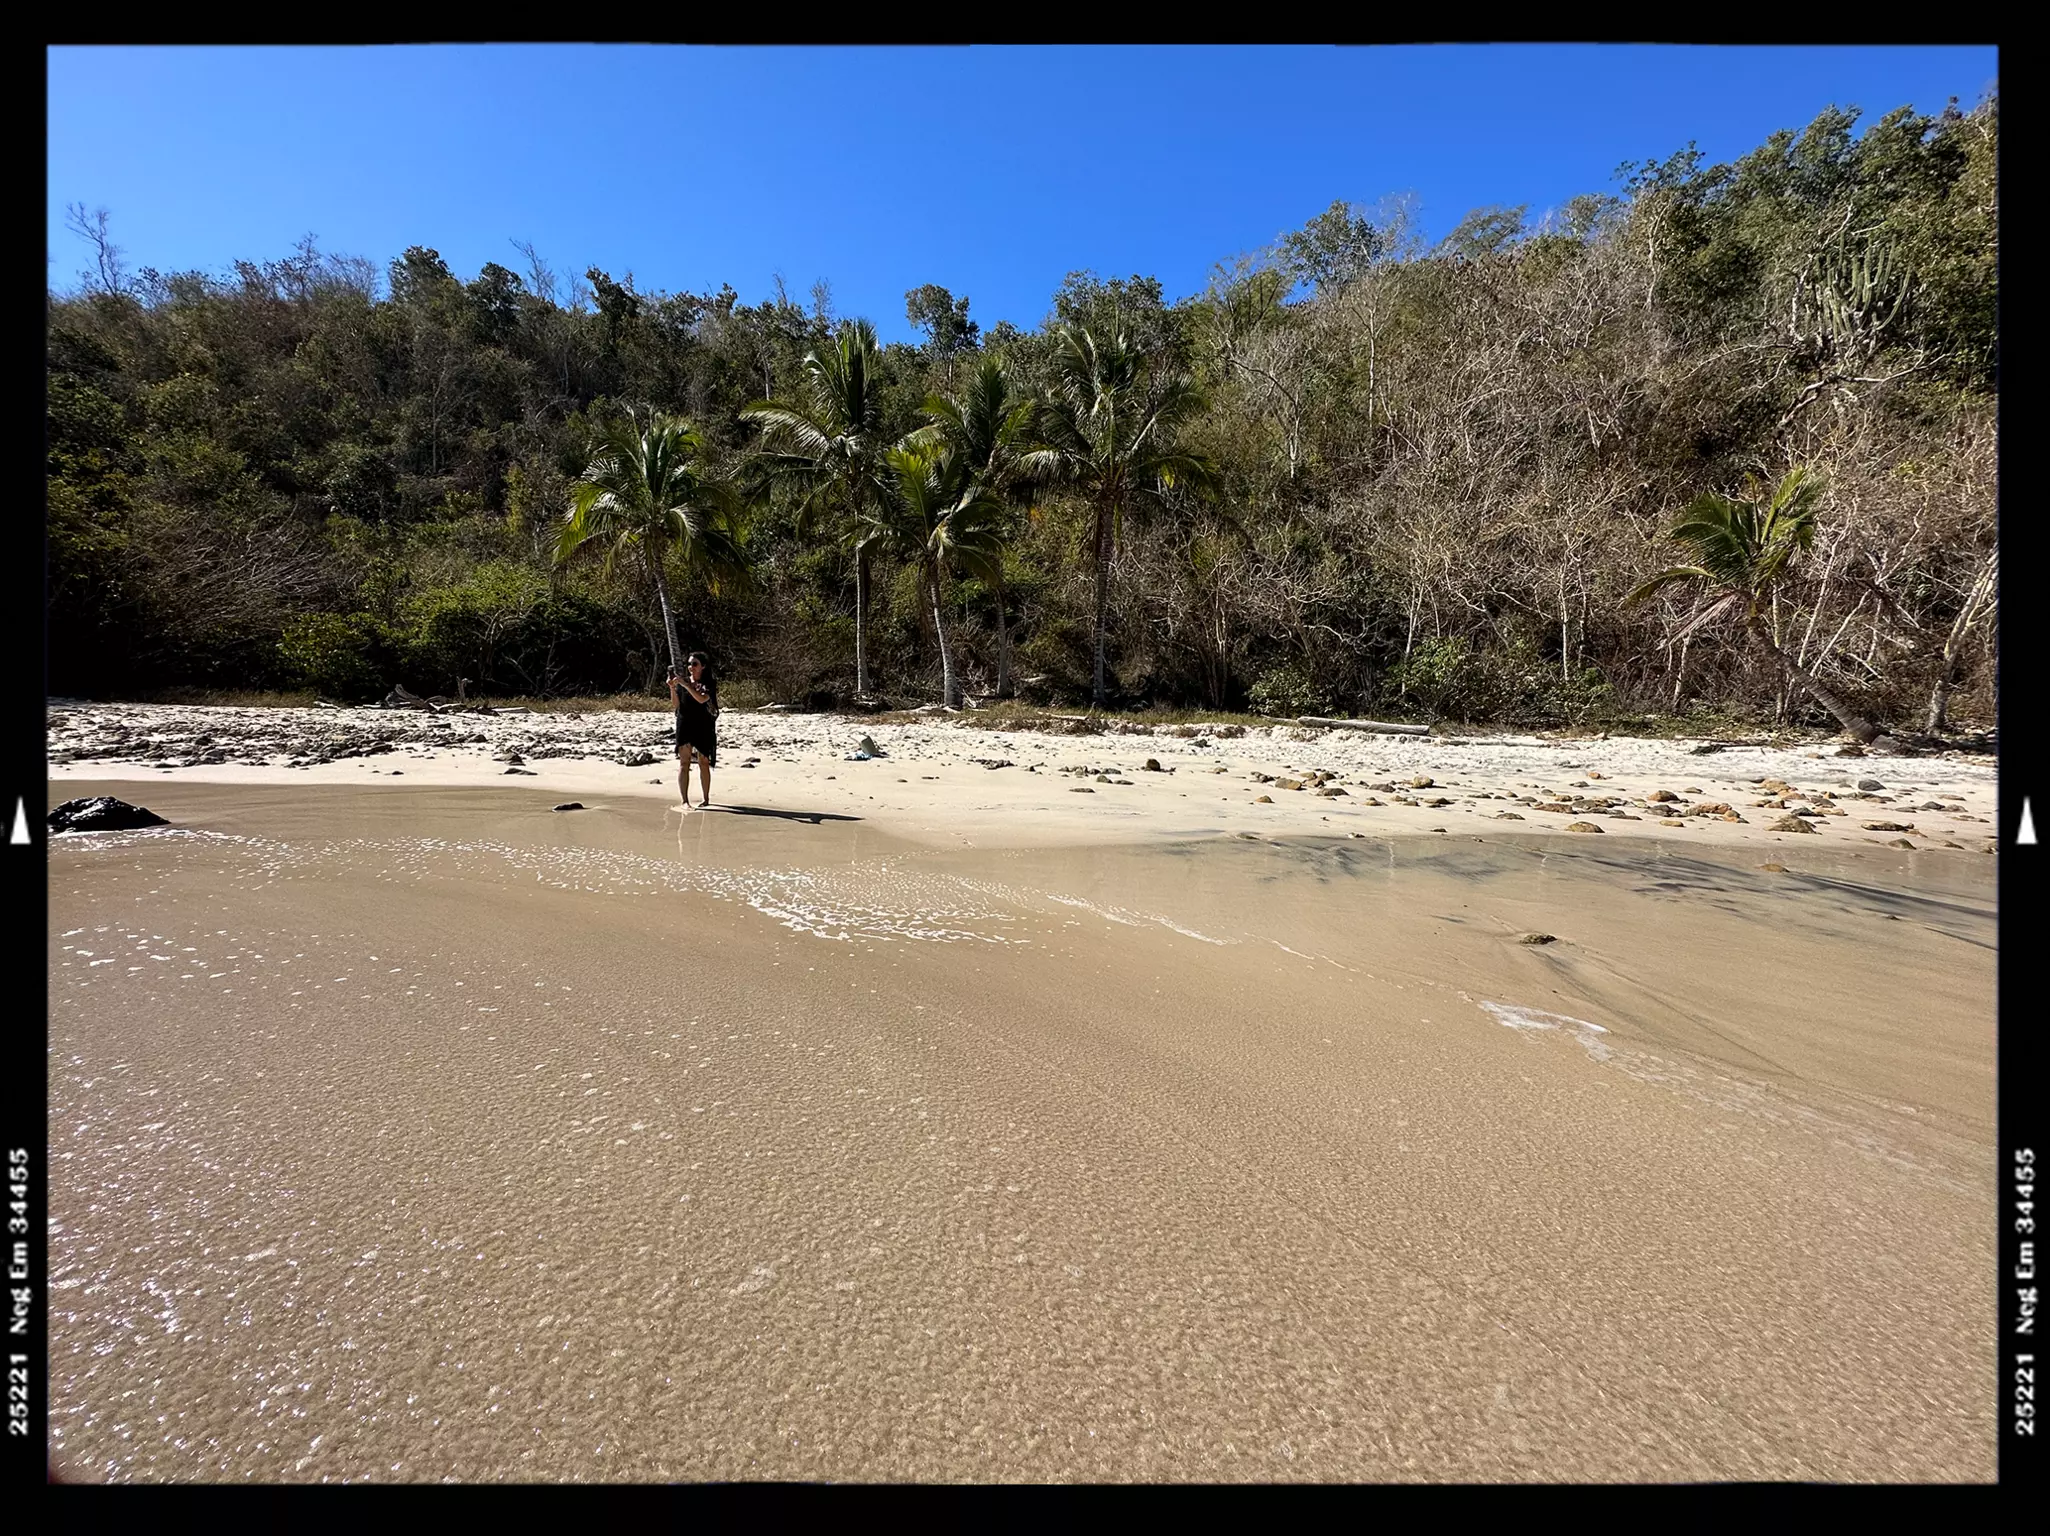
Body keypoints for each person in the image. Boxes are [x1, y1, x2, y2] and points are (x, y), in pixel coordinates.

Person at [668, 652, 719, 807]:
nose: (691, 668)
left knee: (704, 762)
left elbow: (702, 699)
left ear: (703, 666)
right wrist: (672, 688)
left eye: (695, 664)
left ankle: (706, 799)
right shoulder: (684, 682)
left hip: (703, 724)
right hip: (685, 722)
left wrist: (685, 685)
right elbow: (676, 705)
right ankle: (685, 800)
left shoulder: (709, 683)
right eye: (689, 664)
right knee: (684, 762)